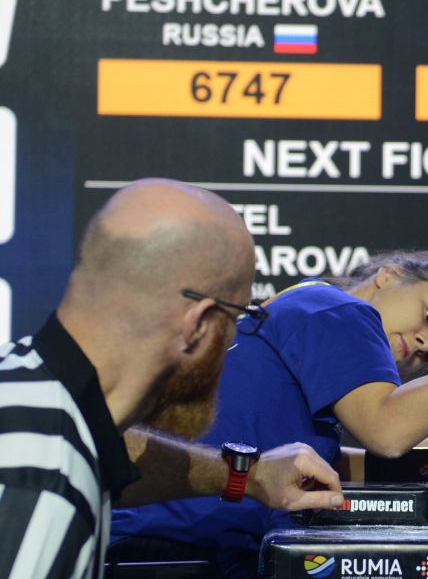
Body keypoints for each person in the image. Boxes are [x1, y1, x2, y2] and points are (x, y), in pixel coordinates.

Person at [0, 179, 342, 579]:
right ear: (198, 325)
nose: (233, 338)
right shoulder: (47, 485)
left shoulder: (26, 386)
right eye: (237, 320)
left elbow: (107, 450)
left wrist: (246, 474)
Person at [111, 250, 428, 562]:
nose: (426, 343)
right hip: (166, 542)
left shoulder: (308, 315)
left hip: (173, 540)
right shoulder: (342, 310)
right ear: (388, 274)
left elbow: (305, 465)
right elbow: (387, 430)